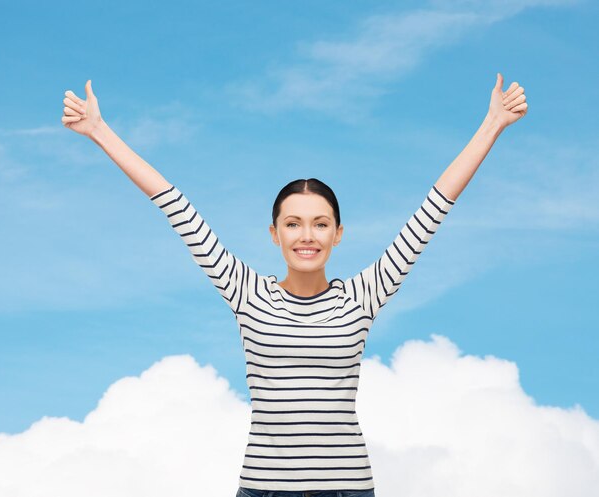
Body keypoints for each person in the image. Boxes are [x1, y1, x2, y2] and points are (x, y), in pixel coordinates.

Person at [61, 74, 528, 497]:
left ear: (338, 234)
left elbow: (434, 207)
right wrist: (100, 131)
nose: (307, 236)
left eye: (320, 224)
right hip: (263, 489)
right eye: (294, 224)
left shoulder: (362, 296)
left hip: (346, 489)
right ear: (275, 233)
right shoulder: (247, 292)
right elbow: (175, 206)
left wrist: (492, 125)